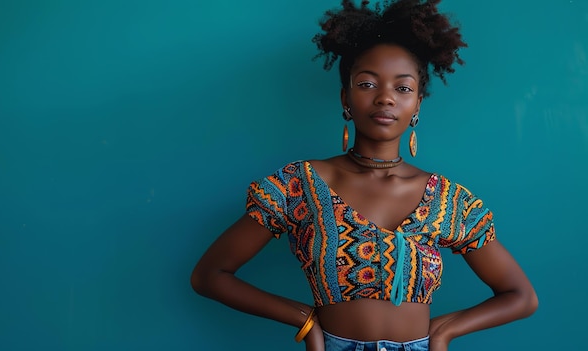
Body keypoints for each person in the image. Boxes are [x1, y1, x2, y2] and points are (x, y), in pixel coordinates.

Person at [190, 0, 538, 350]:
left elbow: (521, 297)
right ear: (346, 97)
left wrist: (445, 330)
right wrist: (306, 321)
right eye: (368, 84)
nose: (385, 98)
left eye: (402, 88)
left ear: (417, 104)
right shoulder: (299, 185)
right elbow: (210, 276)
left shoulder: (448, 200)